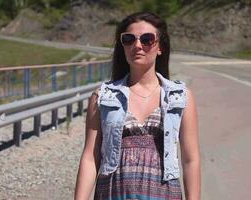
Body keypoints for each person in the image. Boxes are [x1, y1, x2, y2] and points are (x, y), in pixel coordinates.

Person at [75, 12, 200, 200]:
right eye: (129, 39)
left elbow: (191, 160)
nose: (137, 45)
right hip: (113, 193)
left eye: (147, 39)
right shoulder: (103, 97)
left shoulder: (180, 97)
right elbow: (90, 158)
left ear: (160, 47)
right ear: (123, 45)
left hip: (164, 194)